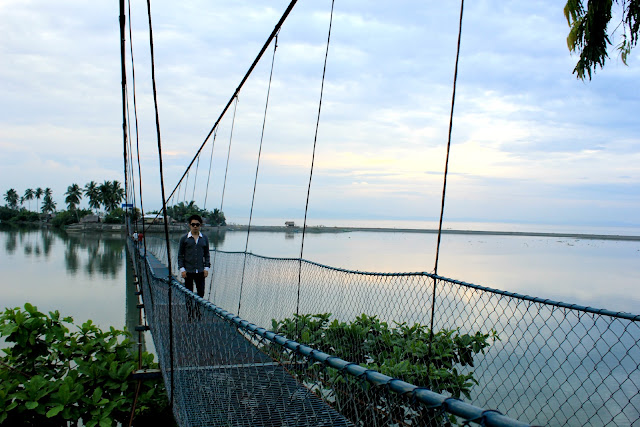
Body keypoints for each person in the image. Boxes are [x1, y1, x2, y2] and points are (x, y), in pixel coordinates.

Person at [177, 214, 211, 298]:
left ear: (200, 225)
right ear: (189, 225)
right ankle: (190, 311)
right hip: (188, 271)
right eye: (193, 224)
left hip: (200, 271)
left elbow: (207, 254)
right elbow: (180, 255)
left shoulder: (204, 238)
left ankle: (198, 311)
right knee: (188, 294)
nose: (195, 226)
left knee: (201, 293)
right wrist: (182, 270)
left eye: (197, 224)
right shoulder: (184, 239)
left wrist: (206, 268)